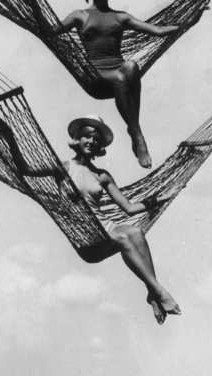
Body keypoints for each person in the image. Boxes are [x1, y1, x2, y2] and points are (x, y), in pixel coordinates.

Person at [58, 0, 201, 169]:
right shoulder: (79, 16)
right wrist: (33, 7)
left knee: (132, 65)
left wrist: (190, 20)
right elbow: (50, 30)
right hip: (94, 78)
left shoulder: (120, 17)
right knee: (120, 76)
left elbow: (158, 31)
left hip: (119, 76)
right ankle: (137, 135)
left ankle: (134, 130)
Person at [64, 114, 179, 324]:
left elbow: (129, 208)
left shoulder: (102, 175)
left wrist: (159, 199)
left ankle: (152, 294)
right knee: (124, 238)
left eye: (96, 139)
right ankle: (160, 291)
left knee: (136, 231)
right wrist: (9, 140)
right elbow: (25, 170)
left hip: (107, 227)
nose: (91, 142)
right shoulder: (63, 168)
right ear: (78, 139)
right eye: (87, 137)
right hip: (87, 235)